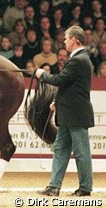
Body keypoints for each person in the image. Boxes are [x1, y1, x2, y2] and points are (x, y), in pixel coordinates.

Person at [36, 25, 94, 197]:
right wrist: (57, 101)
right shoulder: (79, 59)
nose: (64, 41)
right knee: (61, 148)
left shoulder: (78, 59)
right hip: (70, 113)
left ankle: (85, 188)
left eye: (67, 39)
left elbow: (59, 79)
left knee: (81, 152)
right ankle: (54, 186)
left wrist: (42, 75)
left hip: (75, 113)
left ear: (75, 40)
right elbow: (69, 85)